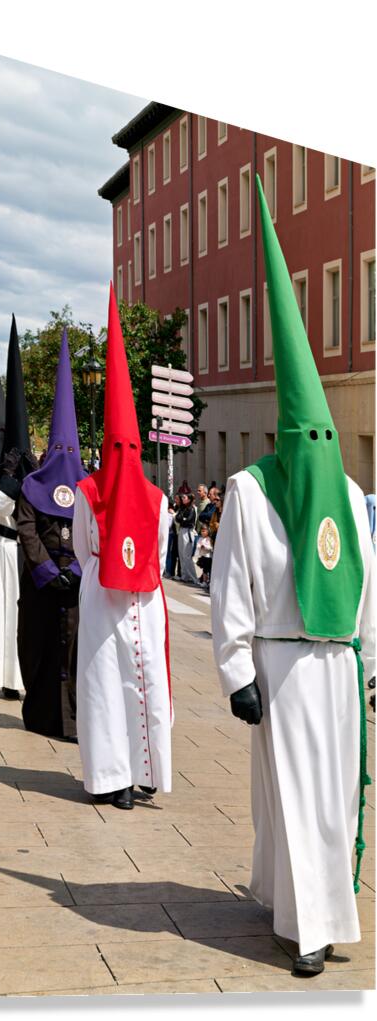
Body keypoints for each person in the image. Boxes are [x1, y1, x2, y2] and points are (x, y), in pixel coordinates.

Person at [211, 176, 375, 977]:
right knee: (296, 794)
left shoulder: (346, 492)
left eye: (325, 430)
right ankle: (303, 928)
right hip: (280, 663)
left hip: (337, 668)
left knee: (326, 800)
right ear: (283, 426)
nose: (317, 438)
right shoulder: (247, 490)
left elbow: (368, 583)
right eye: (302, 428)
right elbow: (228, 591)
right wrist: (236, 670)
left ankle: (302, 903)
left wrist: (368, 664)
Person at [74, 284, 172, 811]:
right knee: (108, 689)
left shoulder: (147, 498)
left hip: (130, 599)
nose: (126, 454)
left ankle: (142, 772)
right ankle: (113, 777)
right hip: (114, 599)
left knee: (141, 683)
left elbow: (80, 548)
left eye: (129, 447)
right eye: (122, 446)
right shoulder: (121, 494)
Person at [18, 328, 86, 737]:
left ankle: (74, 721)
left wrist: (76, 570)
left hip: (76, 586)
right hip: (41, 585)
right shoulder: (31, 486)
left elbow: (96, 535)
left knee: (76, 652)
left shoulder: (89, 491)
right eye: (58, 451)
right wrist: (46, 571)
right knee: (40, 648)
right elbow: (26, 529)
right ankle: (42, 716)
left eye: (70, 452)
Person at [0, 315, 37, 700]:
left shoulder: (33, 470)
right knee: (7, 612)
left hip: (28, 551)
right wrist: (10, 479)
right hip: (4, 549)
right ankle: (7, 676)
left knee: (29, 617)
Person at [176, 490, 198, 583]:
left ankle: (193, 577)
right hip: (182, 530)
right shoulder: (182, 508)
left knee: (187, 555)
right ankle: (184, 575)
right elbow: (177, 518)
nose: (182, 499)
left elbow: (188, 521)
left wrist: (182, 519)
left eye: (184, 497)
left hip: (188, 531)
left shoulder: (191, 509)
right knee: (181, 554)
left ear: (189, 499)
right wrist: (182, 519)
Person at [192, 523, 213, 588]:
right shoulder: (200, 538)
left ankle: (208, 581)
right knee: (204, 570)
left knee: (208, 570)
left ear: (208, 531)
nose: (202, 532)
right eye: (202, 531)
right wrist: (200, 546)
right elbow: (197, 545)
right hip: (203, 556)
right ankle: (204, 581)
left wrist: (205, 547)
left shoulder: (208, 539)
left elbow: (211, 548)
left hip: (208, 557)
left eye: (204, 531)